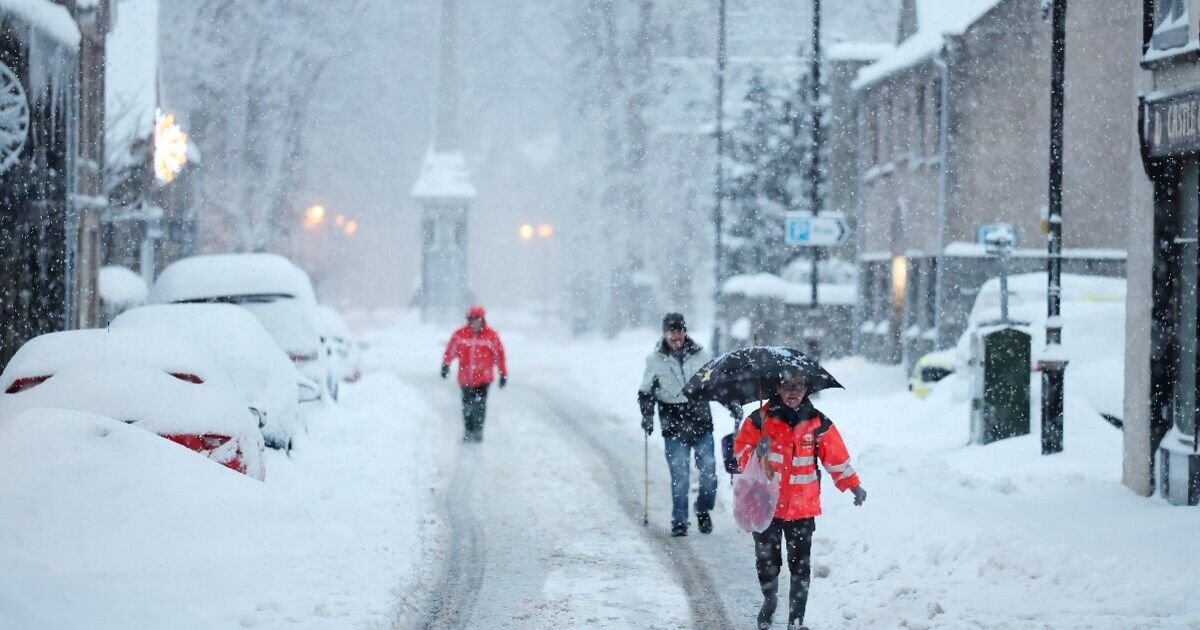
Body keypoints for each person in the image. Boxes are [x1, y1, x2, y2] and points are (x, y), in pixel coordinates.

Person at [734, 373, 867, 630]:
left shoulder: (818, 421)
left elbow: (835, 458)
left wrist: (853, 485)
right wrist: (754, 451)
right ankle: (770, 599)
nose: (794, 392)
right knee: (767, 564)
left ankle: (796, 621)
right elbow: (739, 453)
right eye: (787, 386)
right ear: (777, 387)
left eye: (799, 386)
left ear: (807, 389)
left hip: (802, 508)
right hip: (766, 506)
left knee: (801, 567)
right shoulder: (759, 419)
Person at [638, 312, 723, 537]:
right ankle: (679, 520)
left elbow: (717, 385)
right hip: (673, 421)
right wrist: (647, 416)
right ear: (665, 333)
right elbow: (646, 392)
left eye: (680, 331)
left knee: (709, 472)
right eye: (672, 332)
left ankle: (703, 509)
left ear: (685, 332)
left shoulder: (701, 355)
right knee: (680, 475)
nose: (676, 336)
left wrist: (730, 403)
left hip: (700, 419)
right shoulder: (654, 360)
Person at [440, 305, 508, 442]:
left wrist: (503, 373)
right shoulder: (460, 335)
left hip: (484, 378)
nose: (474, 322)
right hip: (465, 378)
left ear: (482, 319)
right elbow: (451, 350)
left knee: (480, 406)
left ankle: (478, 430)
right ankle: (468, 429)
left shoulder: (491, 336)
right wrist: (446, 365)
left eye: (477, 319)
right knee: (467, 406)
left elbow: (499, 355)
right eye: (472, 319)